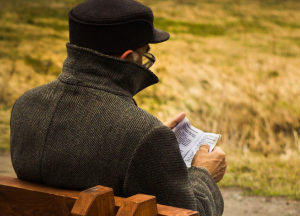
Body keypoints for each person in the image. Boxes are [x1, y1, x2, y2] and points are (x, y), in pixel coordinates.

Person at [10, 0, 227, 215]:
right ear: (128, 58)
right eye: (145, 56)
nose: (144, 62)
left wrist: (151, 139)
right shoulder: (143, 135)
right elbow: (189, 214)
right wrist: (203, 173)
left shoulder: (25, 106)